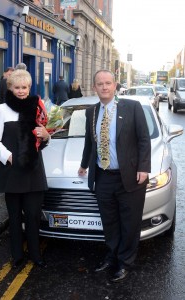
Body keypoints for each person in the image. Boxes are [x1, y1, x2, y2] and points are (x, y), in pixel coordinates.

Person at [78, 69, 151, 282]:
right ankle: (112, 256)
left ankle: (125, 262)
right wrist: (84, 166)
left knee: (129, 223)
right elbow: (89, 142)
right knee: (109, 222)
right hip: (103, 177)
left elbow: (144, 139)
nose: (104, 87)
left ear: (115, 85)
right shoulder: (91, 112)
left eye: (108, 83)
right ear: (94, 87)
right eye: (100, 84)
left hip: (129, 177)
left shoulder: (132, 107)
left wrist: (144, 167)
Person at [0, 69, 50, 269]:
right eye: (17, 87)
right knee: (14, 218)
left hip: (33, 171)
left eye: (25, 87)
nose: (21, 91)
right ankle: (17, 255)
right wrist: (8, 156)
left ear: (29, 87)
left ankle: (35, 254)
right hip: (12, 171)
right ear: (10, 88)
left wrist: (46, 136)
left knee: (32, 216)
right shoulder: (2, 109)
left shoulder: (37, 108)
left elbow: (43, 142)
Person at [0, 67, 15, 170]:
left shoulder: (13, 85)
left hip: (5, 116)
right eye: (9, 74)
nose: (10, 76)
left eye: (12, 75)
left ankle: (0, 163)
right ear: (4, 74)